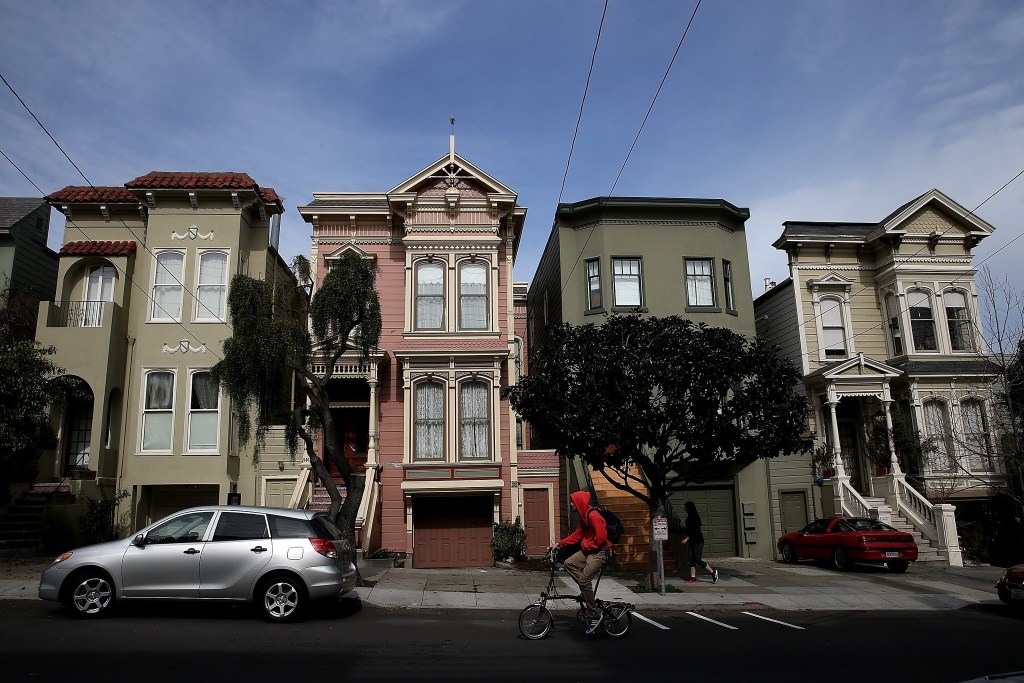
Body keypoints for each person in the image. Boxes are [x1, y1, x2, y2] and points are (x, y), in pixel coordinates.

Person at [549, 490, 612, 634]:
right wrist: (559, 544)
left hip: (599, 552)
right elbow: (577, 535)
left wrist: (588, 546)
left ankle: (594, 614)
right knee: (569, 563)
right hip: (590, 549)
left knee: (584, 581)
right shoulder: (584, 517)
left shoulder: (594, 516)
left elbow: (602, 538)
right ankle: (586, 592)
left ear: (579, 503)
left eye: (573, 501)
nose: (571, 504)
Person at [681, 500, 719, 584]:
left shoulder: (694, 517)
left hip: (698, 540)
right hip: (692, 540)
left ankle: (713, 572)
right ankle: (693, 577)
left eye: (685, 507)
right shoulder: (689, 516)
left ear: (689, 508)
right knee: (691, 559)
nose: (684, 509)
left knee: (697, 559)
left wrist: (687, 538)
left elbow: (695, 530)